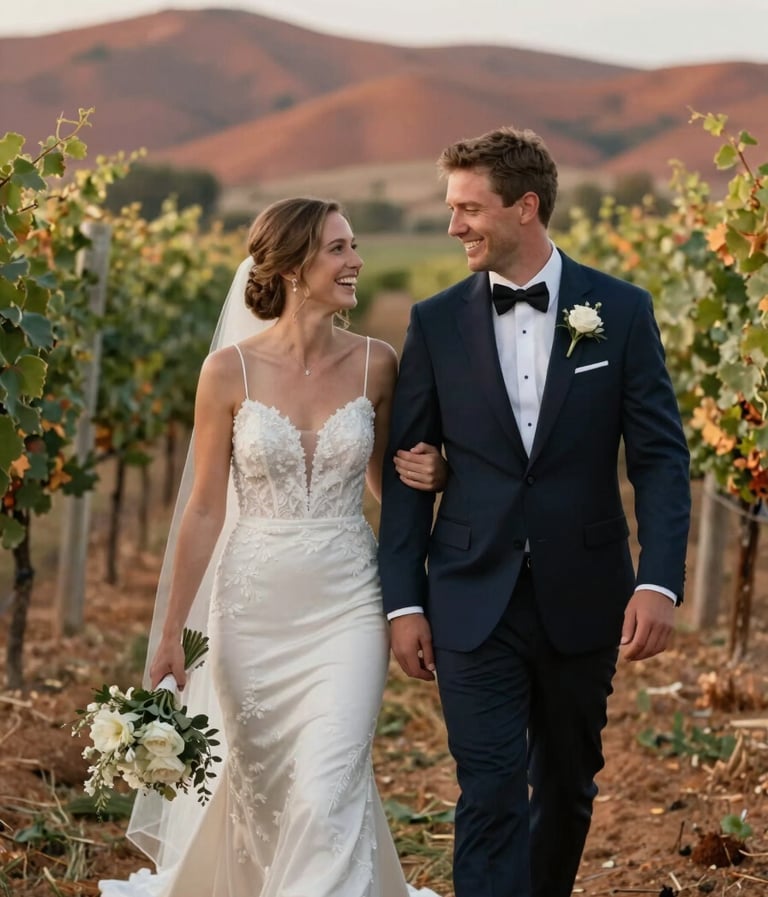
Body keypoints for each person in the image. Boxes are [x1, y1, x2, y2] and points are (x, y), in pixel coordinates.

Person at [100, 197, 446, 897]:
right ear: (291, 267)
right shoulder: (227, 372)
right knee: (264, 798)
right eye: (339, 250)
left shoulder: (380, 364)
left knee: (324, 790)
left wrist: (432, 475)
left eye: (353, 246)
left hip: (348, 604)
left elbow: (387, 484)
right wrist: (170, 633)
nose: (356, 262)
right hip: (251, 613)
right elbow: (202, 509)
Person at [377, 126, 691, 897]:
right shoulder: (434, 321)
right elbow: (410, 472)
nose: (454, 227)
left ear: (525, 207)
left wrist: (659, 581)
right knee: (488, 789)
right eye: (451, 208)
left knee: (567, 785)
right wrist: (405, 598)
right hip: (467, 591)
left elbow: (659, 458)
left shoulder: (620, 310)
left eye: (468, 208)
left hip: (584, 592)